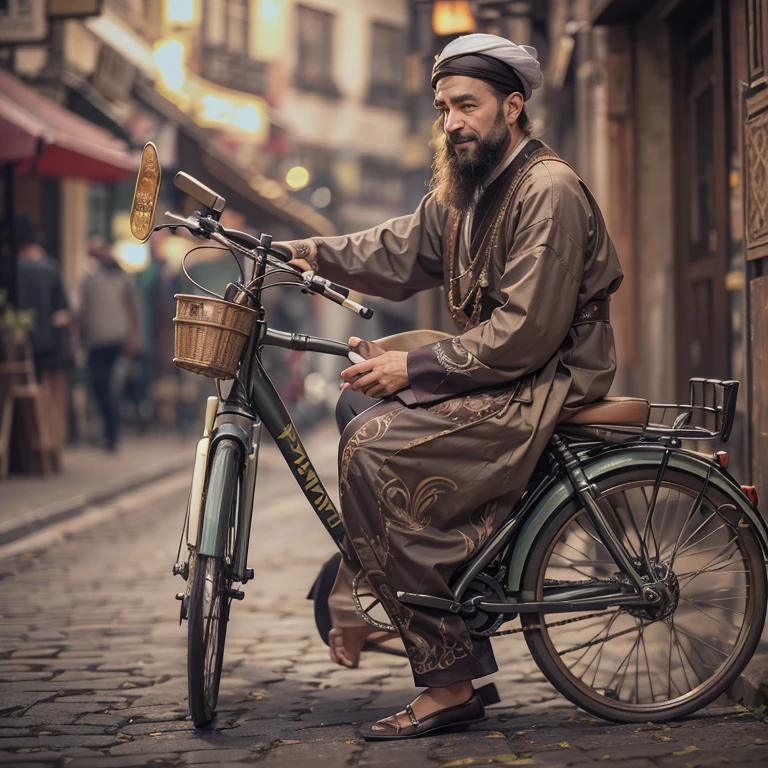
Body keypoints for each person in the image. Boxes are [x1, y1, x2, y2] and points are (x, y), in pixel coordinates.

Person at [277, 33, 623, 740]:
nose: (452, 123)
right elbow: (395, 248)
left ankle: (450, 679)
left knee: (374, 448)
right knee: (354, 404)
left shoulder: (546, 189)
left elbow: (528, 330)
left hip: (540, 379)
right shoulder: (470, 190)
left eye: (467, 106)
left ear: (513, 106)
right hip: (499, 372)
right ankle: (425, 586)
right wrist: (307, 250)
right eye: (443, 109)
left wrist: (415, 367)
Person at [15, 216, 75, 470]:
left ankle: (33, 460)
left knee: (31, 410)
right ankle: (52, 458)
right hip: (54, 349)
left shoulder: (14, 270)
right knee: (53, 406)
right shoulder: (51, 269)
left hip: (23, 350)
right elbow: (64, 312)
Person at [78, 237, 140, 451]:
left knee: (112, 388)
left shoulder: (123, 277)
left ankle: (113, 434)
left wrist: (133, 337)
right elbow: (84, 311)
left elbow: (133, 308)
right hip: (96, 342)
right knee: (99, 386)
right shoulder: (88, 278)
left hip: (117, 341)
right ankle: (108, 432)